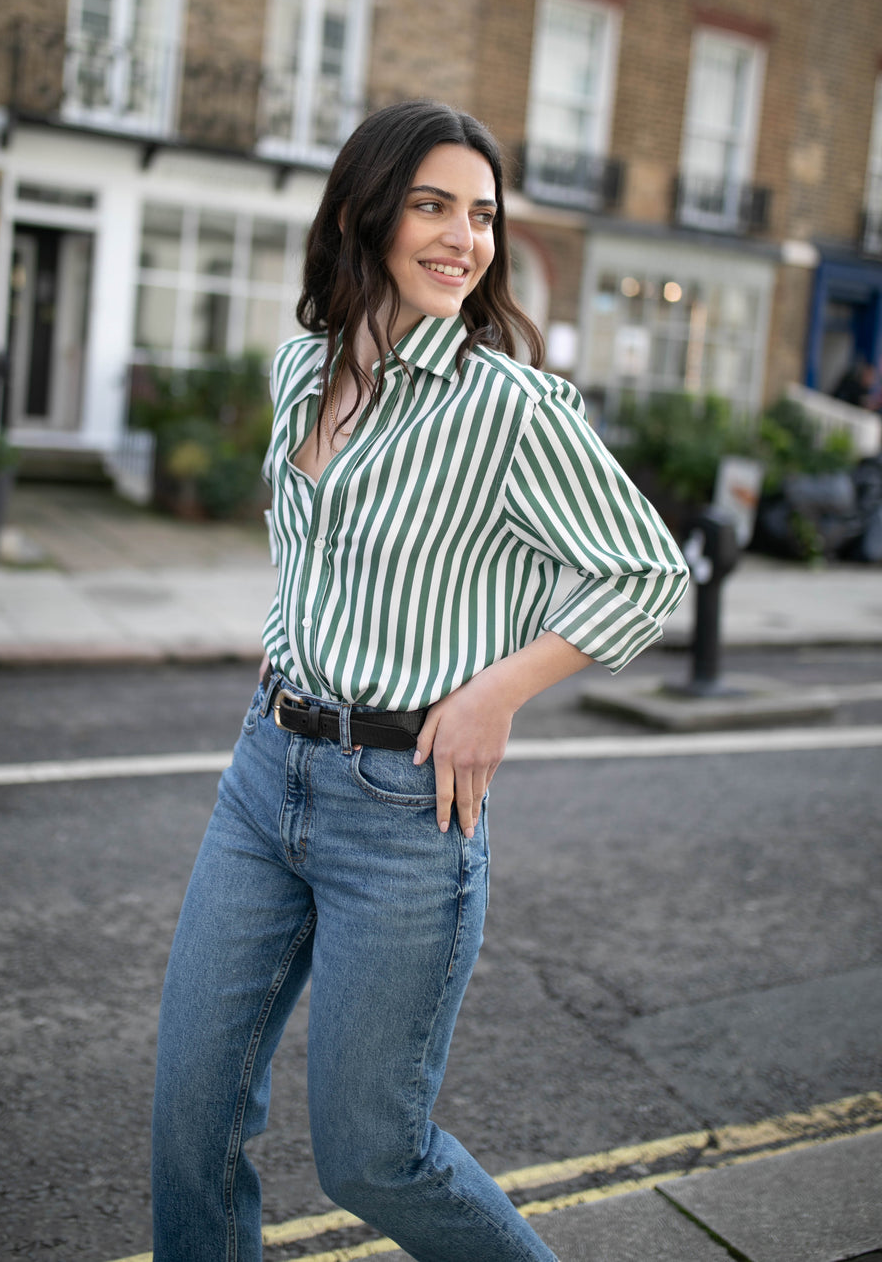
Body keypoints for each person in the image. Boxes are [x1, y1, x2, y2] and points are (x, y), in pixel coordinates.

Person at [151, 100, 689, 1262]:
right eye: (432, 205)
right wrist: (295, 647)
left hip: (404, 811)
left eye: (482, 214)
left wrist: (495, 692)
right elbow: (312, 542)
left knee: (371, 1157)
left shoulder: (507, 408)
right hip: (264, 775)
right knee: (189, 1121)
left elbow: (648, 574)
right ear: (364, 213)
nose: (463, 237)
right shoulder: (305, 367)